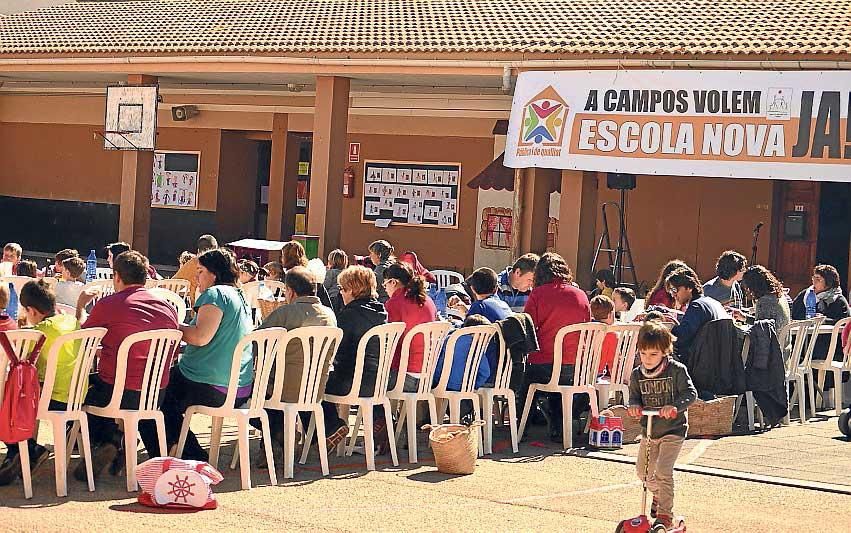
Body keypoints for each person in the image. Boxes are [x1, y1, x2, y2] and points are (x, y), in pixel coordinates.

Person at [74, 251, 179, 481]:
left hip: (117, 393)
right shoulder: (168, 308)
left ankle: (108, 440)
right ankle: (117, 441)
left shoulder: (109, 304)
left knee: (79, 391)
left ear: (117, 276)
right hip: (155, 395)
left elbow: (84, 339)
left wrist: (81, 305)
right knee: (104, 384)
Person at [160, 248, 255, 461]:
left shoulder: (215, 294)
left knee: (154, 391)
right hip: (239, 387)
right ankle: (178, 446)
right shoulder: (240, 296)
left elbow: (200, 337)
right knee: (164, 393)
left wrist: (173, 326)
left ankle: (188, 451)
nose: (196, 276)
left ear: (214, 273)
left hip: (209, 384)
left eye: (200, 271)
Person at [252, 266, 336, 462]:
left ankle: (277, 437)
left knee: (245, 393)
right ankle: (281, 437)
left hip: (283, 388)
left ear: (290, 291)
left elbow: (255, 342)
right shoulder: (329, 315)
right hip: (315, 389)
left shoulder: (287, 313)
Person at [0, 280, 80, 486]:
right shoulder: (71, 321)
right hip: (76, 395)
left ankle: (25, 449)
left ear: (32, 310)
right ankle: (24, 451)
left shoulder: (39, 332)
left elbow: (18, 362)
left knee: (7, 400)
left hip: (50, 399)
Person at [627, 320, 697, 529]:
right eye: (644, 353)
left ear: (665, 352)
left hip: (673, 430)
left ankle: (666, 514)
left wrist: (674, 406)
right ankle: (659, 495)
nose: (647, 359)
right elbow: (634, 397)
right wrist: (634, 406)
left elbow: (691, 394)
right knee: (643, 473)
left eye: (653, 354)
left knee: (663, 471)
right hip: (649, 430)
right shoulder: (637, 374)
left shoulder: (676, 370)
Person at [522, 252, 592, 441]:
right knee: (556, 380)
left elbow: (527, 327)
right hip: (577, 368)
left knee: (524, 379)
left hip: (546, 364)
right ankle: (558, 424)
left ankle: (520, 426)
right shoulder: (581, 295)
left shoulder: (538, 294)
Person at [322, 266, 388, 450]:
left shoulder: (349, 315)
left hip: (353, 383)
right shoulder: (381, 312)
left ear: (352, 289)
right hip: (378, 382)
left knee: (315, 383)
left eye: (342, 289)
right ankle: (379, 420)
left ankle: (332, 426)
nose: (341, 293)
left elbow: (336, 351)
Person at [791, 264, 851, 395]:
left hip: (828, 348)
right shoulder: (806, 295)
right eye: (814, 278)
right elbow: (794, 313)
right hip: (804, 340)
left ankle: (811, 393)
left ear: (828, 283)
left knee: (802, 354)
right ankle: (798, 391)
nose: (814, 282)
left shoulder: (838, 300)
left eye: (818, 279)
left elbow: (843, 322)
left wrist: (824, 319)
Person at [383, 262, 438, 392]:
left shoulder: (395, 303)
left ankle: (379, 413)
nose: (385, 289)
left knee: (366, 377)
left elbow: (390, 342)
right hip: (428, 376)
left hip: (405, 376)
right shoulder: (428, 301)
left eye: (385, 284)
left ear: (393, 282)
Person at [449, 267, 511, 380]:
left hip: (485, 370)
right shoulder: (503, 305)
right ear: (496, 288)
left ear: (472, 289)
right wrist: (466, 312)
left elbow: (464, 335)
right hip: (504, 370)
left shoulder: (479, 306)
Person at [667, 268, 727, 359]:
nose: (673, 294)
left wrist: (666, 329)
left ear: (689, 287)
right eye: (671, 291)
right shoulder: (714, 303)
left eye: (675, 290)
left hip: (700, 365)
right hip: (717, 362)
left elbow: (680, 338)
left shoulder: (697, 307)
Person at [734, 265, 791, 336]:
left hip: (771, 345)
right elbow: (764, 324)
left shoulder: (764, 302)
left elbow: (760, 332)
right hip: (784, 345)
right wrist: (745, 318)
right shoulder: (780, 297)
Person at [282, 240, 334, 309]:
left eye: (282, 255)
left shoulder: (288, 277)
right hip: (316, 312)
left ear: (286, 257)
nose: (281, 259)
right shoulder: (312, 276)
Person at [173, 234, 218, 305]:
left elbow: (173, 283)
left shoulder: (193, 263)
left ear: (198, 250)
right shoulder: (224, 263)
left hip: (200, 308)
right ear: (216, 248)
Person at [590, 295, 617, 374]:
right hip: (597, 374)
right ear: (610, 314)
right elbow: (613, 362)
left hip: (581, 372)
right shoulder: (611, 334)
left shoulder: (586, 330)